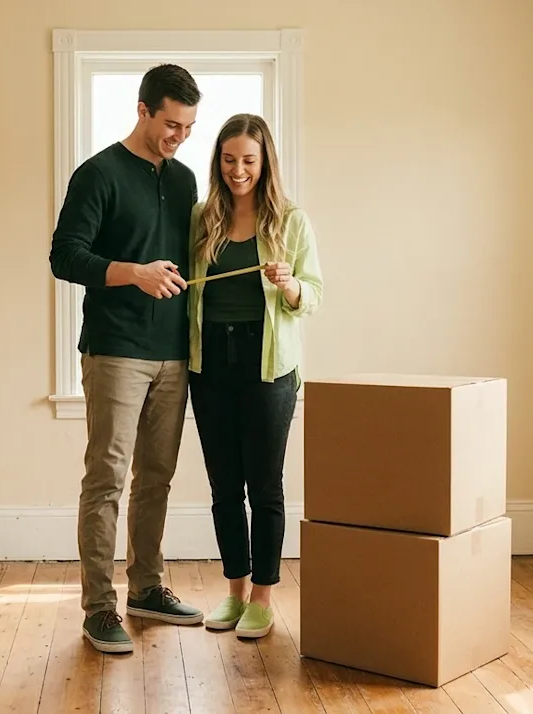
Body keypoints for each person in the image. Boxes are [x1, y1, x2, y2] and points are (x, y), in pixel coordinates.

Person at [48, 63, 207, 654]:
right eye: (171, 124)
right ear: (143, 111)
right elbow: (65, 257)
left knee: (157, 478)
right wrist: (133, 274)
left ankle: (146, 587)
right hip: (115, 350)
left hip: (173, 355)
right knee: (107, 477)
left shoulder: (187, 179)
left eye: (188, 127)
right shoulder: (98, 175)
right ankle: (99, 608)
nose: (179, 136)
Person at [185, 113, 324, 639]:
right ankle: (235, 591)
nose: (237, 170)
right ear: (217, 162)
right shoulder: (201, 218)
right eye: (228, 159)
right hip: (211, 365)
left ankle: (263, 597)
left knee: (264, 486)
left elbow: (312, 296)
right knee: (224, 487)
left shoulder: (290, 221)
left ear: (265, 162)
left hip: (268, 368)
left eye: (248, 160)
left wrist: (290, 286)